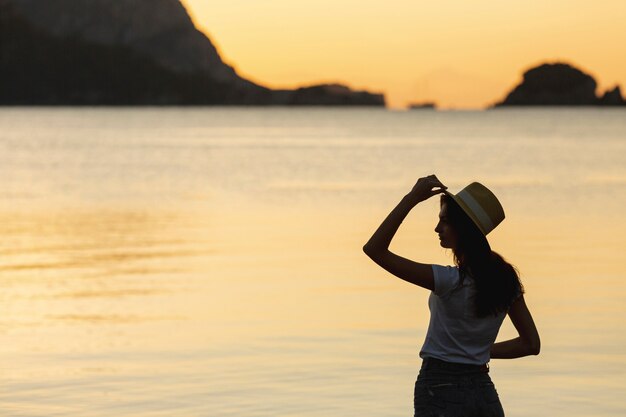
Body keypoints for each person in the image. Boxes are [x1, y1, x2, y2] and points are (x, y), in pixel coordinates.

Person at [363, 175, 540, 417]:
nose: (437, 228)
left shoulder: (448, 281)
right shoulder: (506, 281)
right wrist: (478, 351)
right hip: (482, 390)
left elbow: (374, 249)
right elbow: (531, 344)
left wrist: (412, 198)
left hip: (439, 387)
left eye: (444, 222)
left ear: (463, 228)